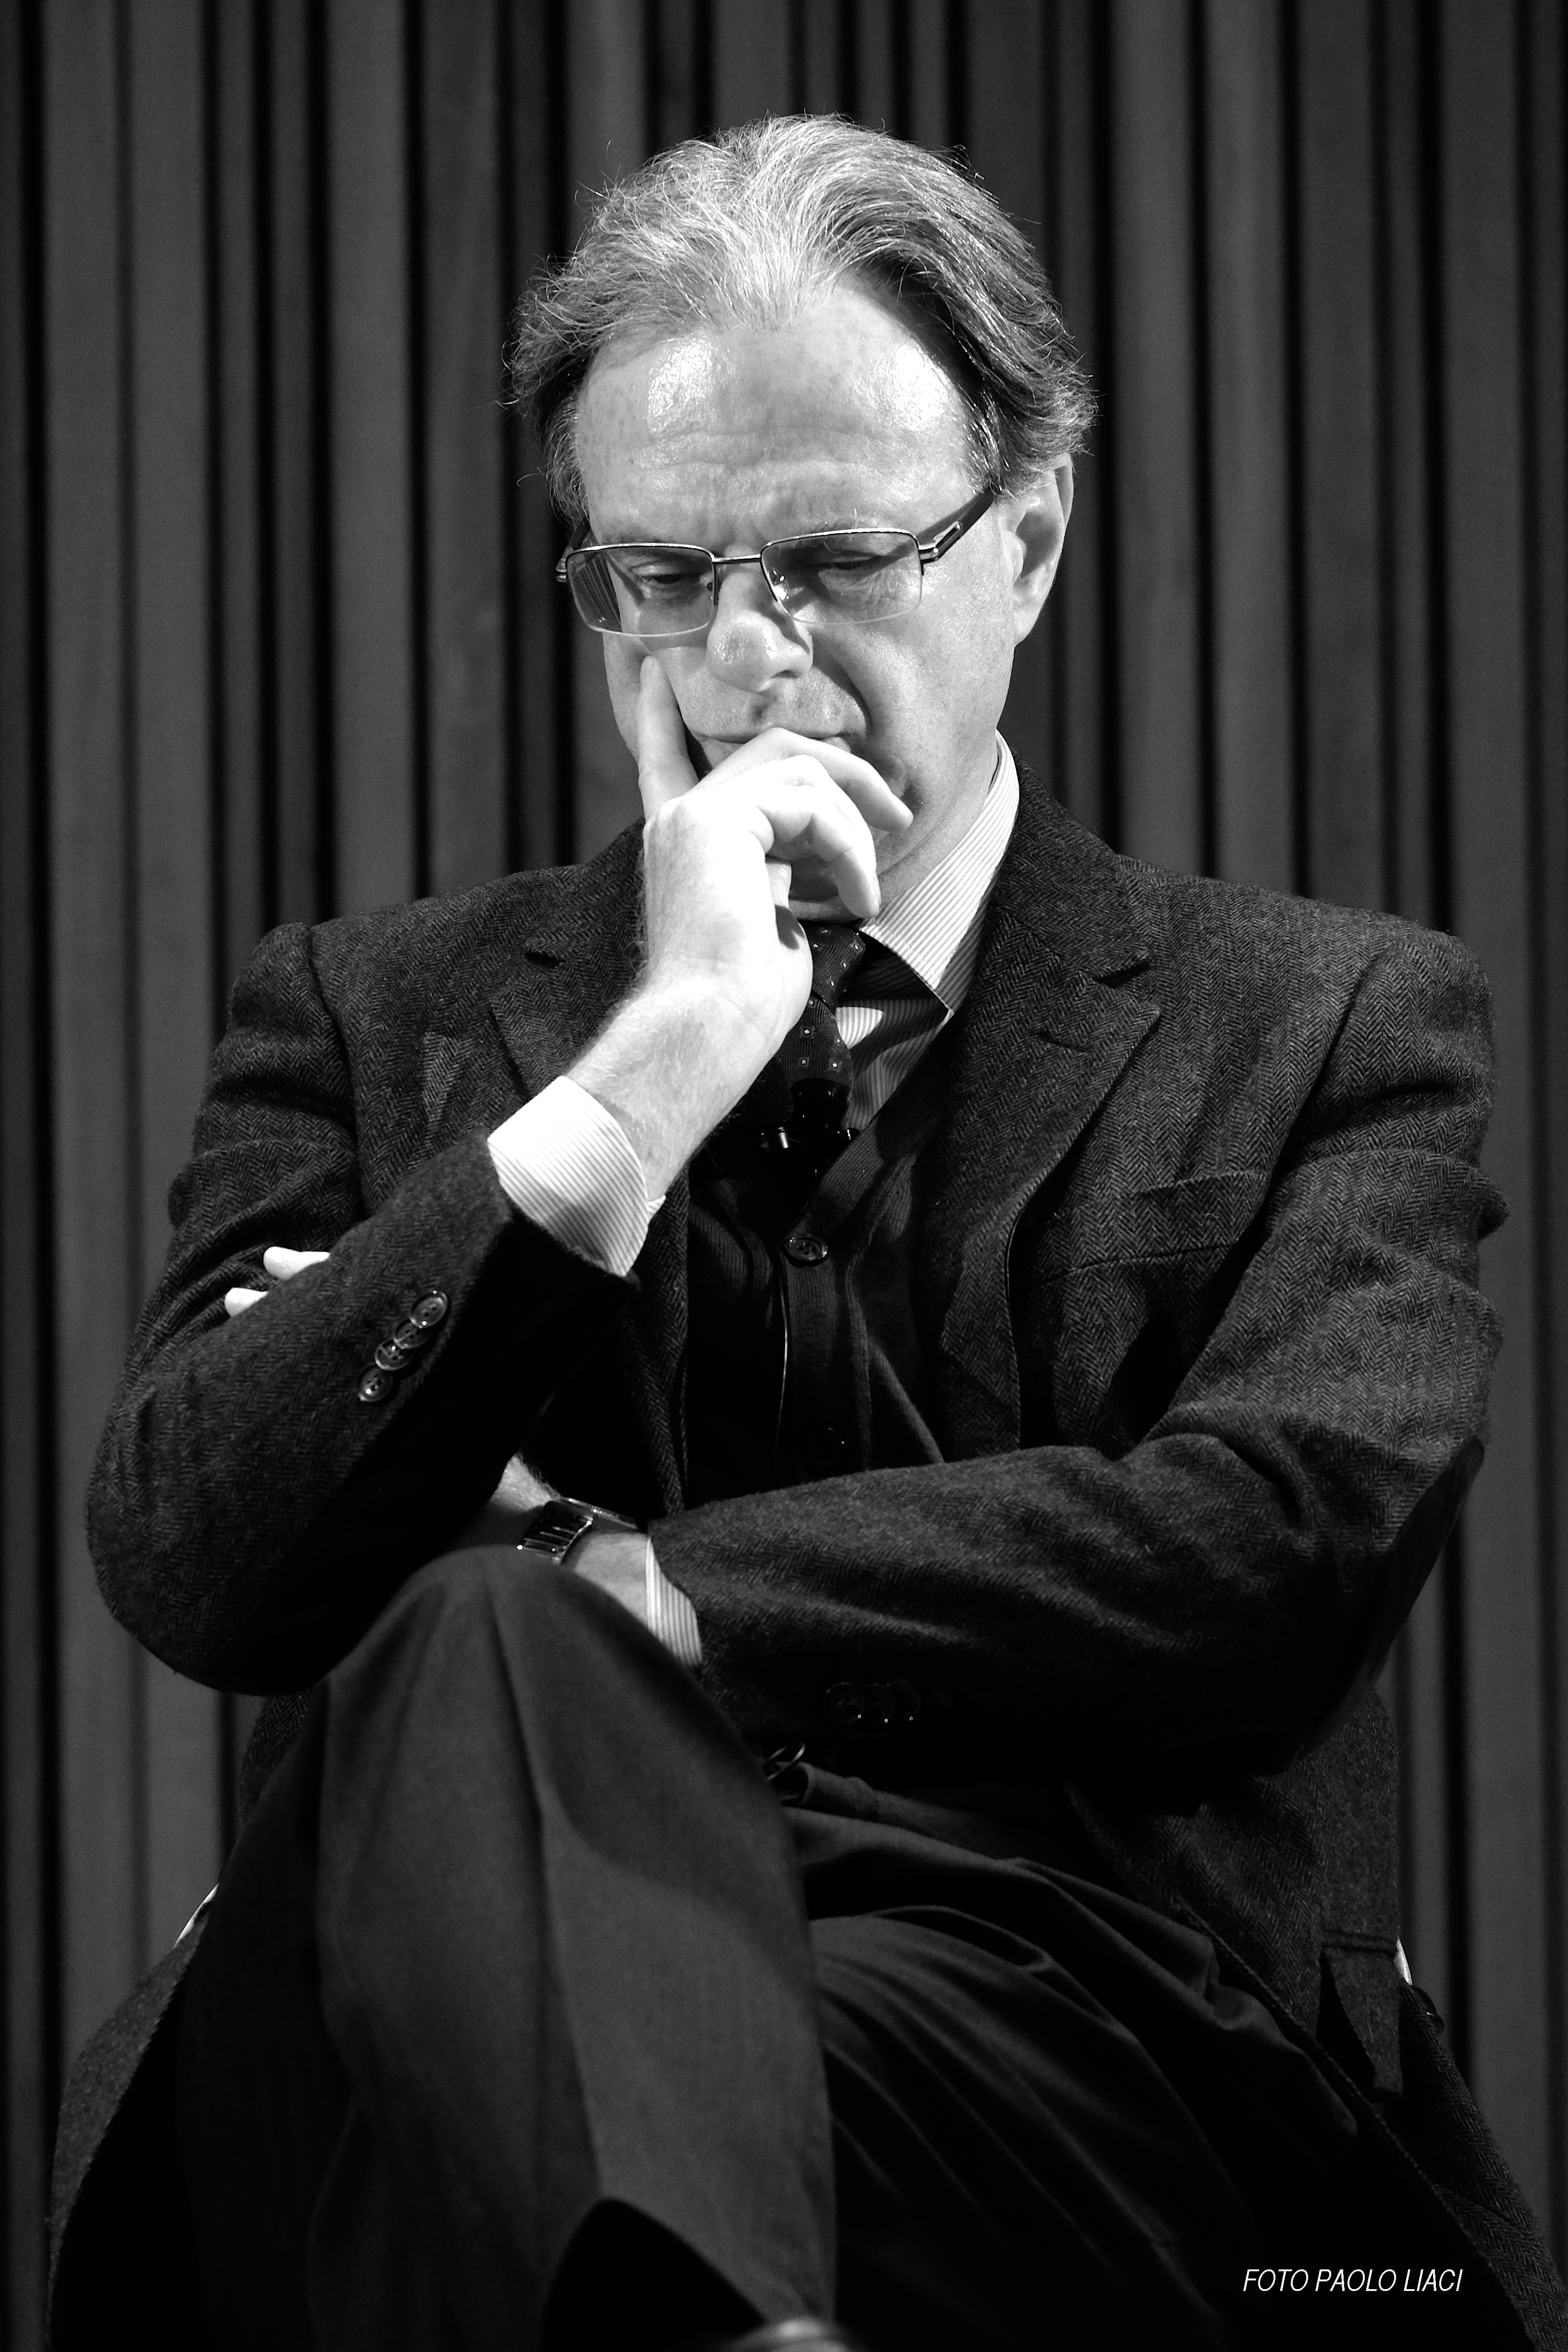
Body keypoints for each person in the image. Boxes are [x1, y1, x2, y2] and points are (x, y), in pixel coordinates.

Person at [49, 116, 1565, 2352]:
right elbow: (203, 1555)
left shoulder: (1329, 1017)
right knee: (475, 1692)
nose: (752, 658)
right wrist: (633, 1089)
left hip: (1079, 2018)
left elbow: (1274, 1545)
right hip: (405, 1982)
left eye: (836, 560)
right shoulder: (373, 1015)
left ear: (1027, 538)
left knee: (494, 1655)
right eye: (663, 575)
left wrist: (637, 1584)